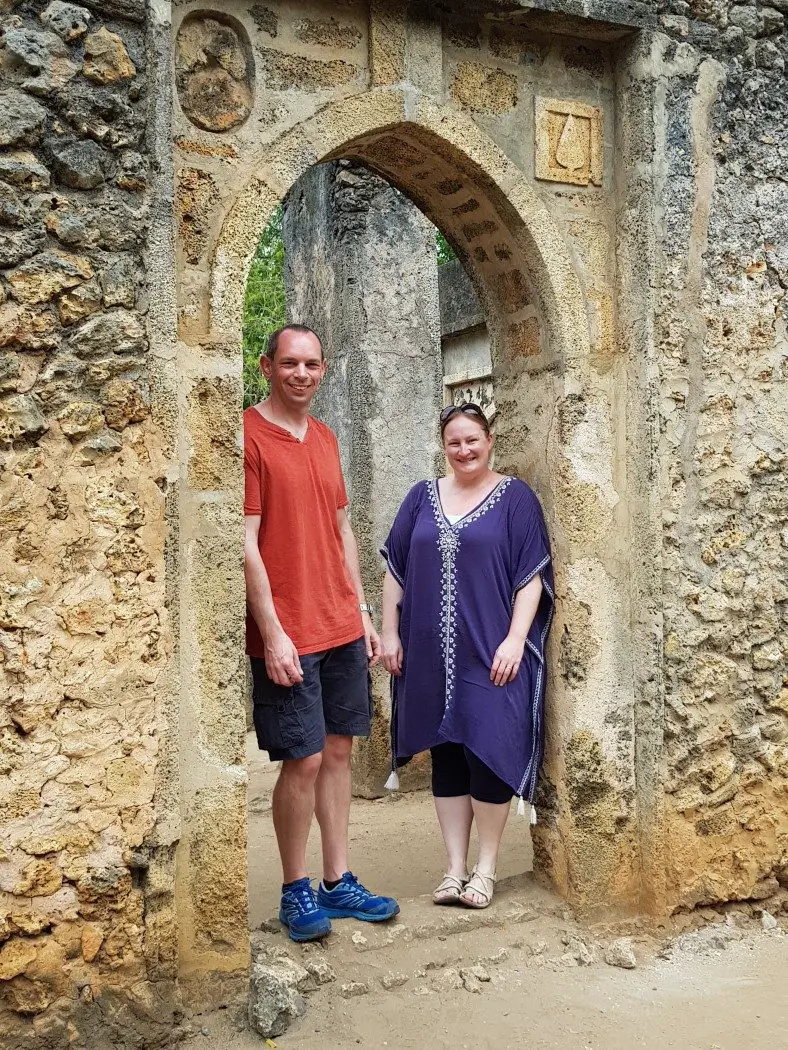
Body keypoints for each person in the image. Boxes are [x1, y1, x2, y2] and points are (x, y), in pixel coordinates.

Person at [244, 323, 399, 942]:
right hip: (289, 629)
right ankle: (295, 888)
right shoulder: (250, 437)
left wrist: (360, 612)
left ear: (323, 369)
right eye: (289, 364)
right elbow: (246, 544)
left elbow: (343, 531)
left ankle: (338, 882)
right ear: (267, 367)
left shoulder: (328, 438)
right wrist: (273, 632)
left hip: (338, 621)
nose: (301, 374)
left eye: (311, 364)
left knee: (339, 751)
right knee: (302, 759)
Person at [380, 402, 554, 909]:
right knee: (447, 752)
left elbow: (532, 578)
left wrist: (516, 639)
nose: (464, 450)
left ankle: (486, 868)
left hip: (491, 650)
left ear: (489, 439)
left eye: (472, 440)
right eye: (454, 442)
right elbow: (396, 569)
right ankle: (454, 868)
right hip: (430, 651)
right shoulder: (420, 498)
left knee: (488, 750)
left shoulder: (515, 498)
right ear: (444, 445)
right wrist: (390, 632)